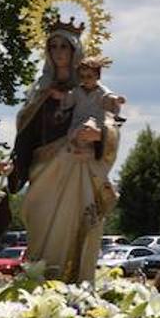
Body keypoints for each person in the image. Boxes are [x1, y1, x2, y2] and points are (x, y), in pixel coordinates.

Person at [9, 23, 121, 284]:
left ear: (76, 51)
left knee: (77, 229)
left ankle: (75, 291)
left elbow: (111, 122)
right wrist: (13, 167)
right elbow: (25, 134)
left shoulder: (91, 91)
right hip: (44, 173)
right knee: (41, 231)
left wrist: (99, 135)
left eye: (64, 46)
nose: (58, 52)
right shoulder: (39, 91)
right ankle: (39, 290)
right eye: (53, 46)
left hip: (78, 169)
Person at [62, 55, 126, 159]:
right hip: (79, 120)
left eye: (89, 76)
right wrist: (64, 97)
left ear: (97, 76)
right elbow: (68, 101)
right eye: (82, 76)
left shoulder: (101, 91)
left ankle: (92, 150)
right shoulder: (77, 91)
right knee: (78, 133)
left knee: (90, 131)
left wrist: (116, 99)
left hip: (95, 121)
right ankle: (79, 148)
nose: (85, 79)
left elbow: (109, 97)